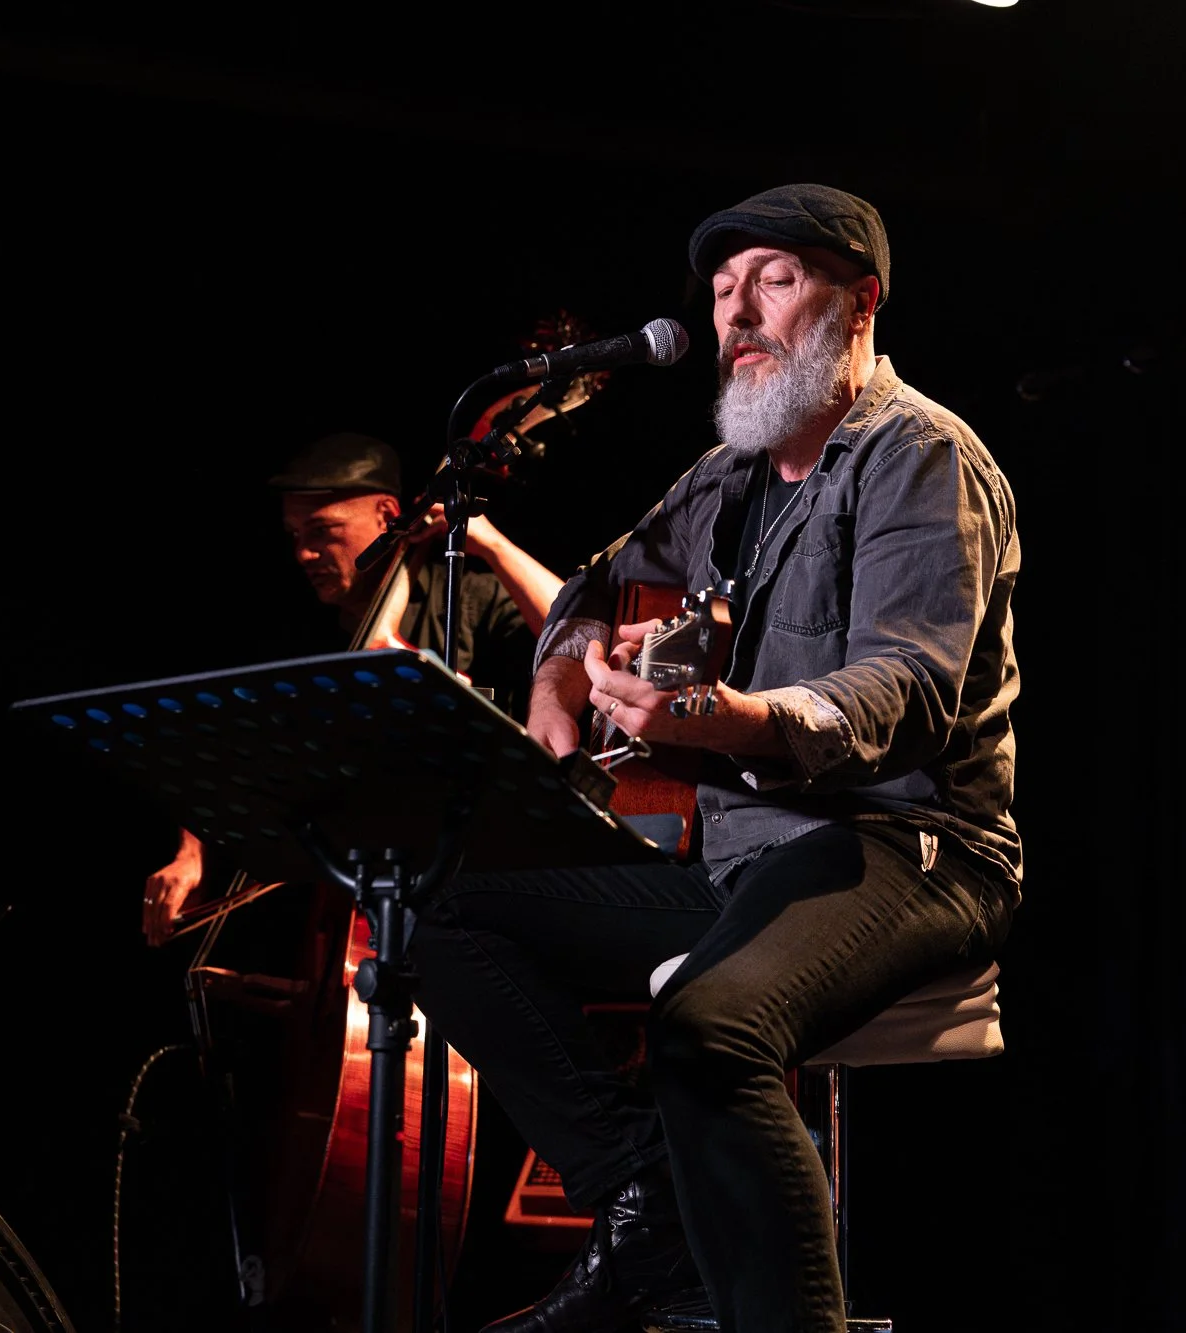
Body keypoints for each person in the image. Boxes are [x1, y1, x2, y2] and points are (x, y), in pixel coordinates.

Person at [404, 184, 1023, 1331]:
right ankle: (642, 1201)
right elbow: (592, 585)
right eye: (723, 290)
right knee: (430, 907)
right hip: (746, 864)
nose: (735, 313)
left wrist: (725, 719)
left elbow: (906, 690)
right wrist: (553, 679)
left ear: (859, 302)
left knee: (709, 1024)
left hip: (906, 847)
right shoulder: (725, 477)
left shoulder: (919, 458)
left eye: (772, 282)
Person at [142, 431, 563, 945]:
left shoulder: (466, 597)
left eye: (323, 531)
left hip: (482, 886)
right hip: (350, 905)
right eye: (294, 535)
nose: (304, 553)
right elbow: (234, 752)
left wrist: (490, 543)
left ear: (387, 514)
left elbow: (576, 637)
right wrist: (191, 852)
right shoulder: (302, 634)